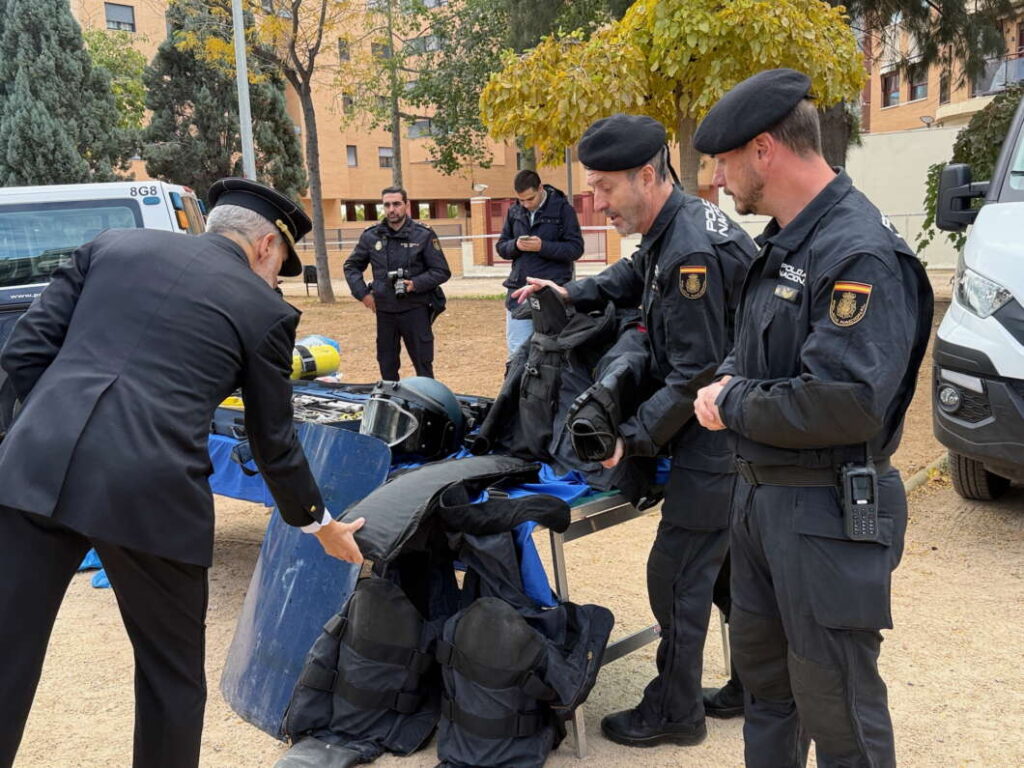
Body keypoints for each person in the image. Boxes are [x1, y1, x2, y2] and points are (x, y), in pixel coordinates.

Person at [0, 178, 366, 768]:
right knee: (170, 675)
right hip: (151, 492)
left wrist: (58, 427)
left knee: (5, 654)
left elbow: (22, 353)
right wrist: (318, 522)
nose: (275, 281)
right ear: (267, 247)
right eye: (279, 267)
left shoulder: (111, 245)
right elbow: (272, 442)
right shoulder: (264, 309)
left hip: (35, 464)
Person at [692, 69, 933, 768]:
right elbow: (753, 356)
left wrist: (731, 400)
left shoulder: (856, 251)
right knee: (768, 694)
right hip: (763, 499)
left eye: (723, 160)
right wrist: (734, 380)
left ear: (764, 149)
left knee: (840, 707)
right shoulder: (787, 241)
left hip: (824, 510)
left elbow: (849, 398)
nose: (716, 178)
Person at [513, 113, 756, 748]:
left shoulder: (691, 252)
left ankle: (676, 712)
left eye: (605, 188)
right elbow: (633, 278)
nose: (596, 201)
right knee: (724, 568)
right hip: (726, 430)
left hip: (720, 437)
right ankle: (752, 685)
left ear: (646, 176)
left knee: (674, 573)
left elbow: (693, 372)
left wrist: (634, 439)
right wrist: (571, 294)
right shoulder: (673, 229)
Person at [344, 187, 451, 380]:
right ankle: (391, 405)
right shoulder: (371, 236)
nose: (391, 209)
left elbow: (441, 271)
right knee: (387, 366)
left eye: (396, 204)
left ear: (407, 205)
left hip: (415, 310)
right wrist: (363, 295)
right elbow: (351, 266)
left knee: (423, 366)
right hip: (385, 312)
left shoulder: (423, 234)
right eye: (387, 205)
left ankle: (427, 406)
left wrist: (416, 283)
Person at [496, 169, 584, 356]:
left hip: (552, 291)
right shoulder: (514, 211)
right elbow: (501, 247)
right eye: (521, 200)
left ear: (541, 188)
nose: (526, 204)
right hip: (519, 291)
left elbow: (575, 249)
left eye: (530, 199)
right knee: (518, 352)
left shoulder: (563, 209)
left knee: (553, 353)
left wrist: (543, 247)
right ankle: (518, 385)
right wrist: (516, 245)